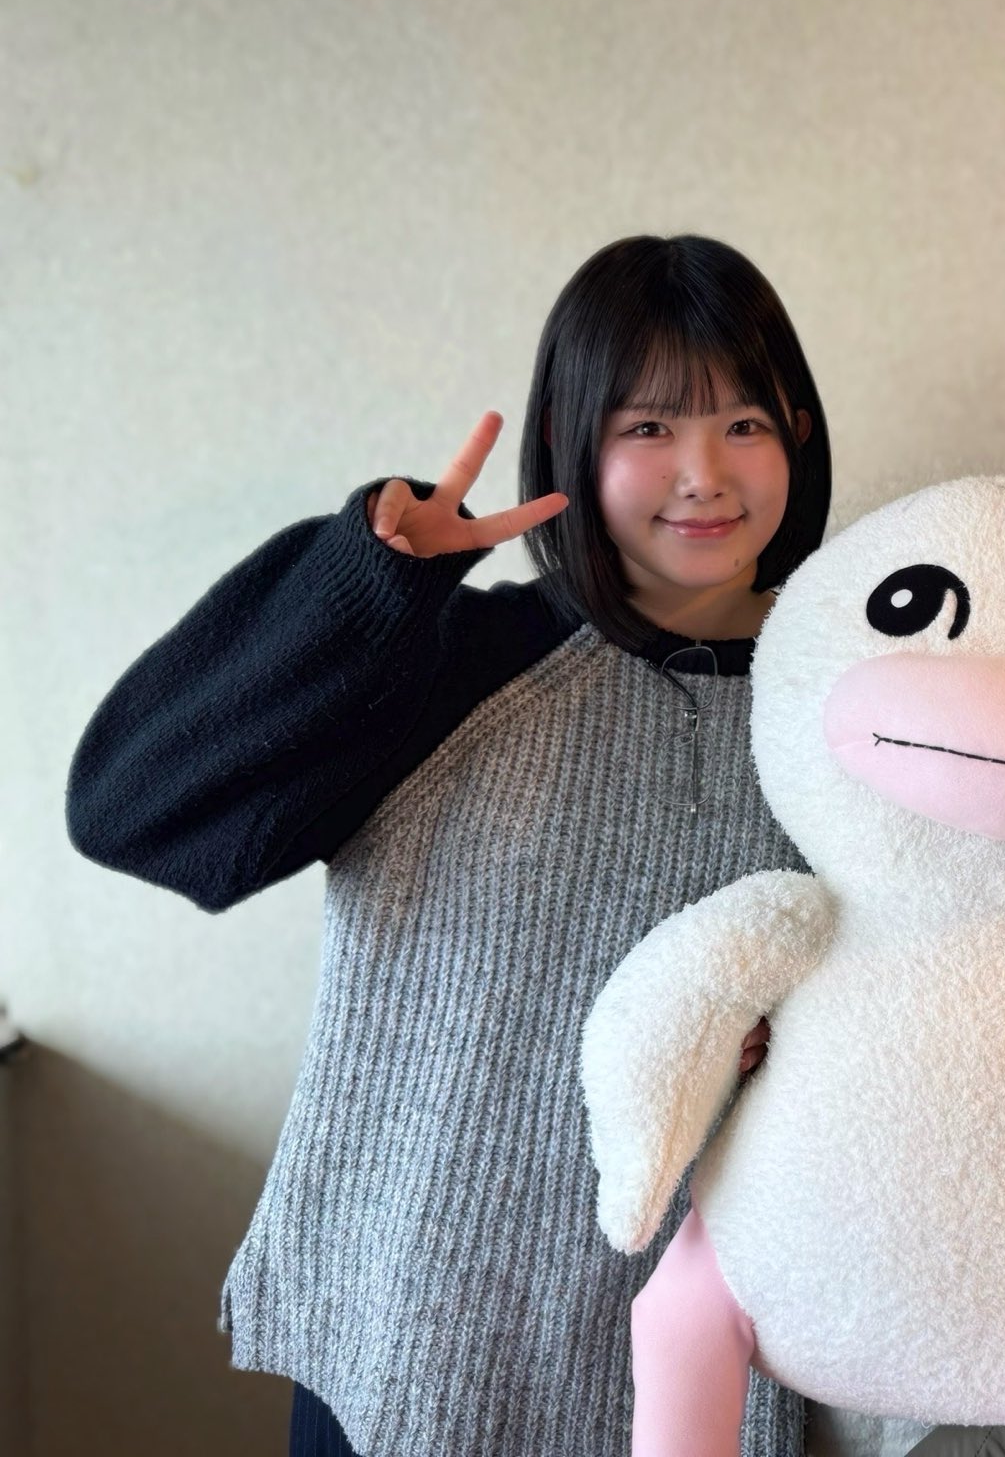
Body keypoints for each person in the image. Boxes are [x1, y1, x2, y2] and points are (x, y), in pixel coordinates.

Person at [67, 235, 830, 1457]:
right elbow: (133, 810)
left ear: (794, 432)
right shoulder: (454, 664)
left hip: (708, 1370)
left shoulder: (856, 700)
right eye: (649, 428)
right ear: (571, 441)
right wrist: (367, 590)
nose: (703, 474)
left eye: (743, 424)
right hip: (409, 1345)